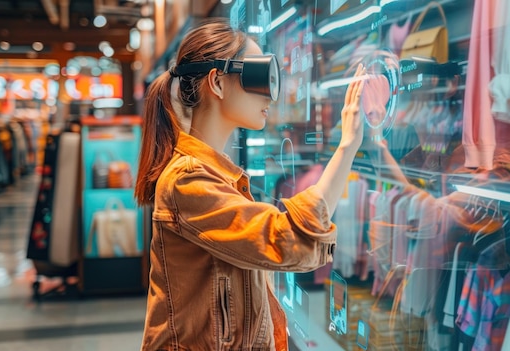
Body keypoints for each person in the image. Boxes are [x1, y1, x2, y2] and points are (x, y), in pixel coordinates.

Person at [134, 19, 366, 351]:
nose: (269, 92)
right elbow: (284, 240)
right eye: (257, 75)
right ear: (217, 82)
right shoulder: (188, 180)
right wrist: (347, 146)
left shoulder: (216, 176)